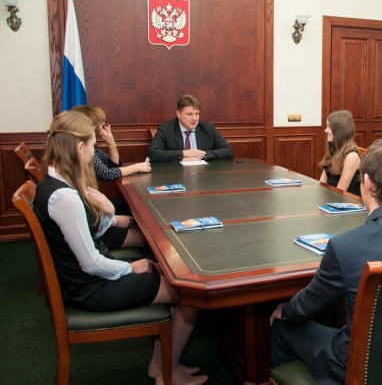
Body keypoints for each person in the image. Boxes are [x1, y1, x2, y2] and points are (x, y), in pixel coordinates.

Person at [34, 112, 206, 385]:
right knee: (188, 293)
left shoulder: (52, 184)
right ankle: (168, 373)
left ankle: (161, 365)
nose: (93, 154)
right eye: (93, 146)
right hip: (93, 288)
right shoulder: (64, 197)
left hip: (87, 279)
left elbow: (87, 238)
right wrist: (129, 267)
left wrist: (106, 212)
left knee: (167, 273)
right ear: (79, 147)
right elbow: (90, 262)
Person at [269, 137, 382, 385]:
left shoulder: (346, 246)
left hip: (358, 365)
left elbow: (306, 307)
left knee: (281, 326)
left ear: (367, 183)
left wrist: (284, 311)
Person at [71, 104, 151, 216]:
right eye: (101, 122)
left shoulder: (93, 148)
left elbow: (114, 165)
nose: (104, 124)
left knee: (133, 205)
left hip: (92, 201)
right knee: (134, 206)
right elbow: (108, 174)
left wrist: (111, 143)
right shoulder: (85, 150)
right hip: (88, 205)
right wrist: (137, 167)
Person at [148, 94, 234, 162]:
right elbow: (153, 153)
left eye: (197, 114)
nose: (194, 118)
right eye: (189, 114)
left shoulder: (208, 128)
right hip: (176, 174)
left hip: (203, 174)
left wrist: (202, 155)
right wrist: (184, 153)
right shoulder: (166, 129)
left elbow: (228, 151)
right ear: (178, 114)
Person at [318, 110, 361, 196]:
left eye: (329, 127)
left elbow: (339, 192)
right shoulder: (333, 151)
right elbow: (321, 185)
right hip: (332, 198)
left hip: (345, 201)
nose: (325, 130)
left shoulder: (352, 156)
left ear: (340, 130)